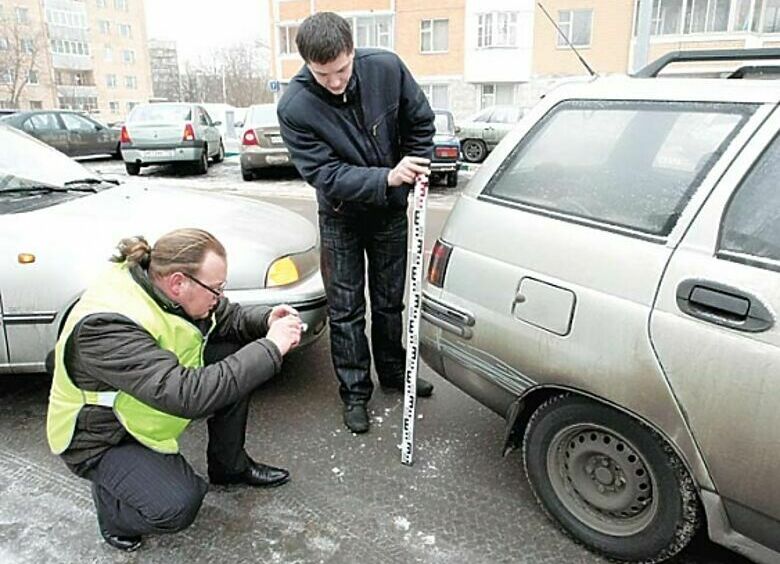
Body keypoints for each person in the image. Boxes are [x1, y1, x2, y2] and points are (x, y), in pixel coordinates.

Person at [45, 228, 303, 552]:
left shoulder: (165, 286)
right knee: (178, 504)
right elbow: (186, 396)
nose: (220, 296)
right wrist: (271, 347)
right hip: (102, 435)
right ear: (179, 282)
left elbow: (227, 316)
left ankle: (228, 466)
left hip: (141, 402)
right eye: (216, 288)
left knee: (232, 357)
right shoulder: (107, 326)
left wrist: (266, 319)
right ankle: (113, 509)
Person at [277, 12, 436, 434]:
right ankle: (354, 393)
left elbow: (419, 121)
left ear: (353, 49)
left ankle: (394, 374)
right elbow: (323, 174)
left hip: (388, 213)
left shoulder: (386, 67)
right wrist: (386, 177)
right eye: (322, 73)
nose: (334, 81)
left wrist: (416, 166)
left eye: (342, 69)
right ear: (307, 64)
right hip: (340, 218)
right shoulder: (294, 106)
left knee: (389, 301)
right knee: (346, 309)